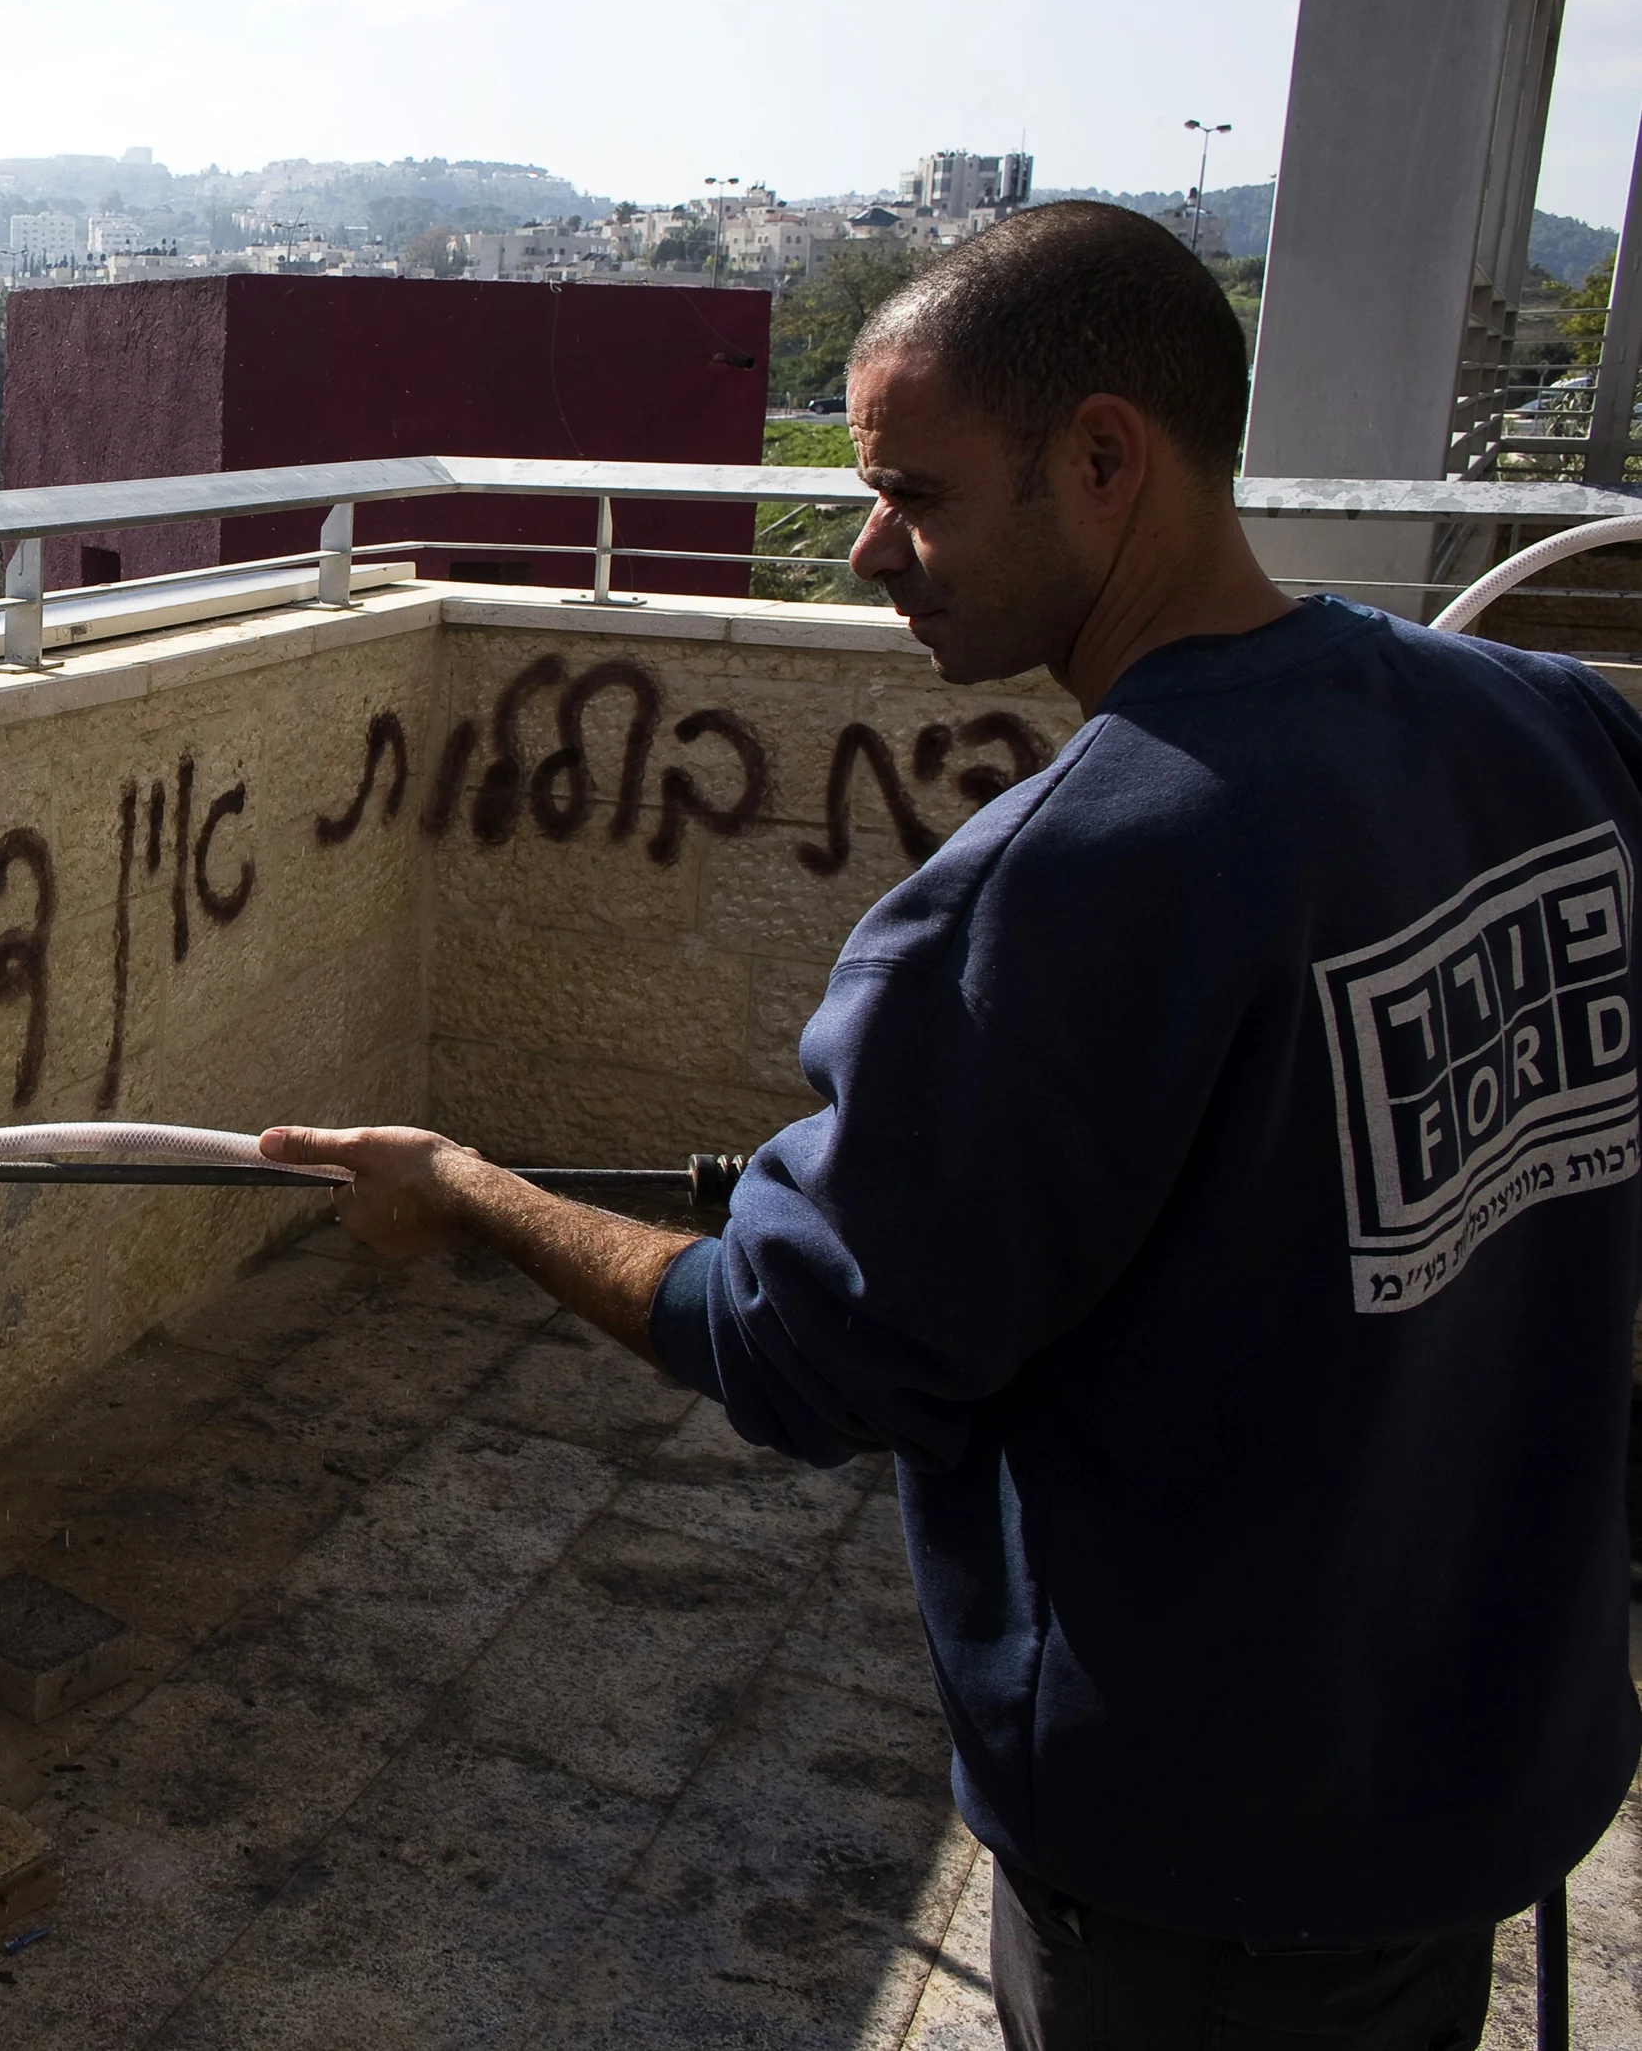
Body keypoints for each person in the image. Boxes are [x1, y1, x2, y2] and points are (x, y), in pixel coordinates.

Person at [268, 201, 1642, 2051]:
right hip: (1485, 1769)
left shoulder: (1067, 888)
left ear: (1103, 459)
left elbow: (798, 1346)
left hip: (1207, 1873)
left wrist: (470, 1194)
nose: (866, 553)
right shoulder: (1550, 731)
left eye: (914, 495)